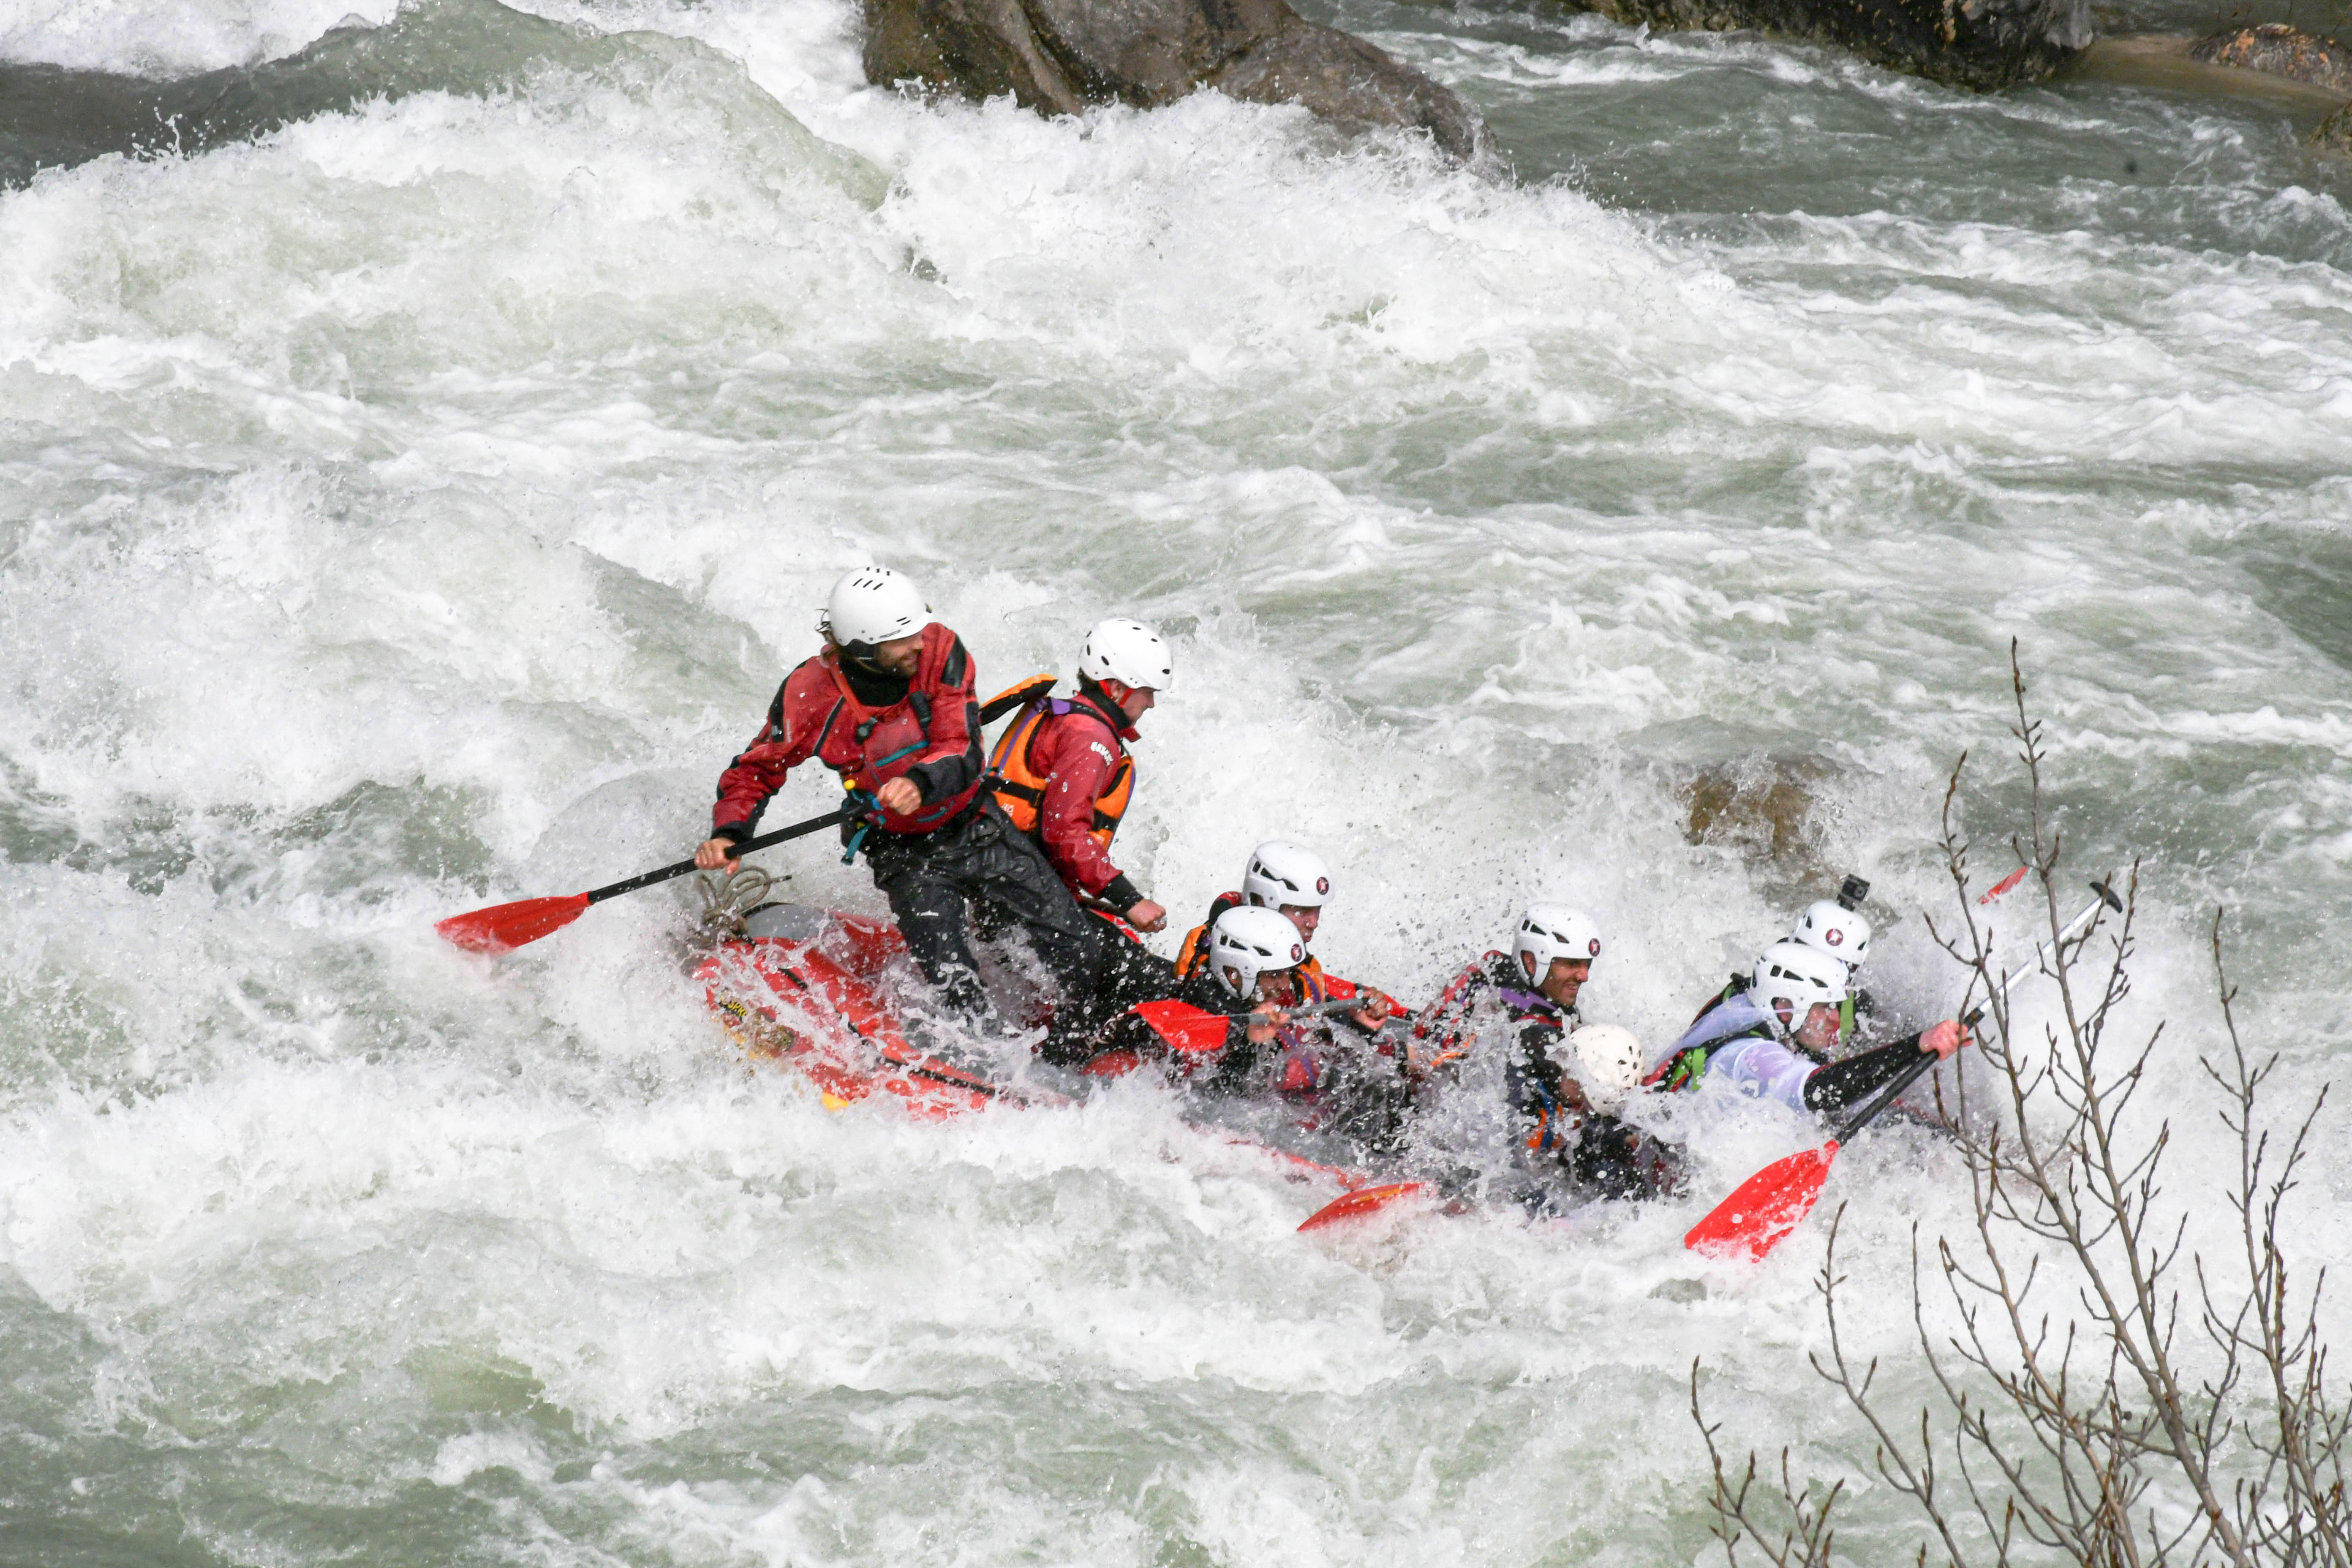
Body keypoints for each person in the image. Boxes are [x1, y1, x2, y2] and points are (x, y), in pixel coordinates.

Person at [694, 566, 1100, 1032]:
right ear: (865, 648)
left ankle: (1073, 1040)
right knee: (956, 986)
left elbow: (962, 748)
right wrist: (729, 833)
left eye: (916, 630)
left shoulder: (941, 649)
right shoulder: (808, 695)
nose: (918, 644)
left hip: (975, 824)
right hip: (904, 854)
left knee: (1078, 951)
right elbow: (756, 769)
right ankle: (989, 1061)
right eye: (902, 640)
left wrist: (918, 783)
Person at [1403, 906, 1680, 1203]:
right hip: (1436, 1124)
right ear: (1532, 961)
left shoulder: (1496, 971)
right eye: (1572, 964)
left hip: (1450, 1109)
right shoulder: (1528, 1029)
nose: (1584, 976)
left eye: (1586, 964)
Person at [983, 618, 1173, 933]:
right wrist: (1130, 901)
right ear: (1116, 688)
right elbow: (1063, 832)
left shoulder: (1070, 716)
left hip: (1010, 874)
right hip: (1020, 888)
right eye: (1147, 692)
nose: (1151, 703)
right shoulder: (1090, 737)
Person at [1646, 939, 1966, 1114]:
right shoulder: (1752, 1055)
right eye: (1825, 1009)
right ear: (1786, 1009)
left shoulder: (1749, 1008)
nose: (1836, 1021)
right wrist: (1917, 1046)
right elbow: (1818, 1092)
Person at [1172, 841, 1397, 1021]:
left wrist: (1357, 1021)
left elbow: (1316, 1026)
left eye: (1317, 911)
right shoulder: (1211, 952)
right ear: (1262, 901)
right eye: (1302, 911)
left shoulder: (1303, 969)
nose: (1314, 923)